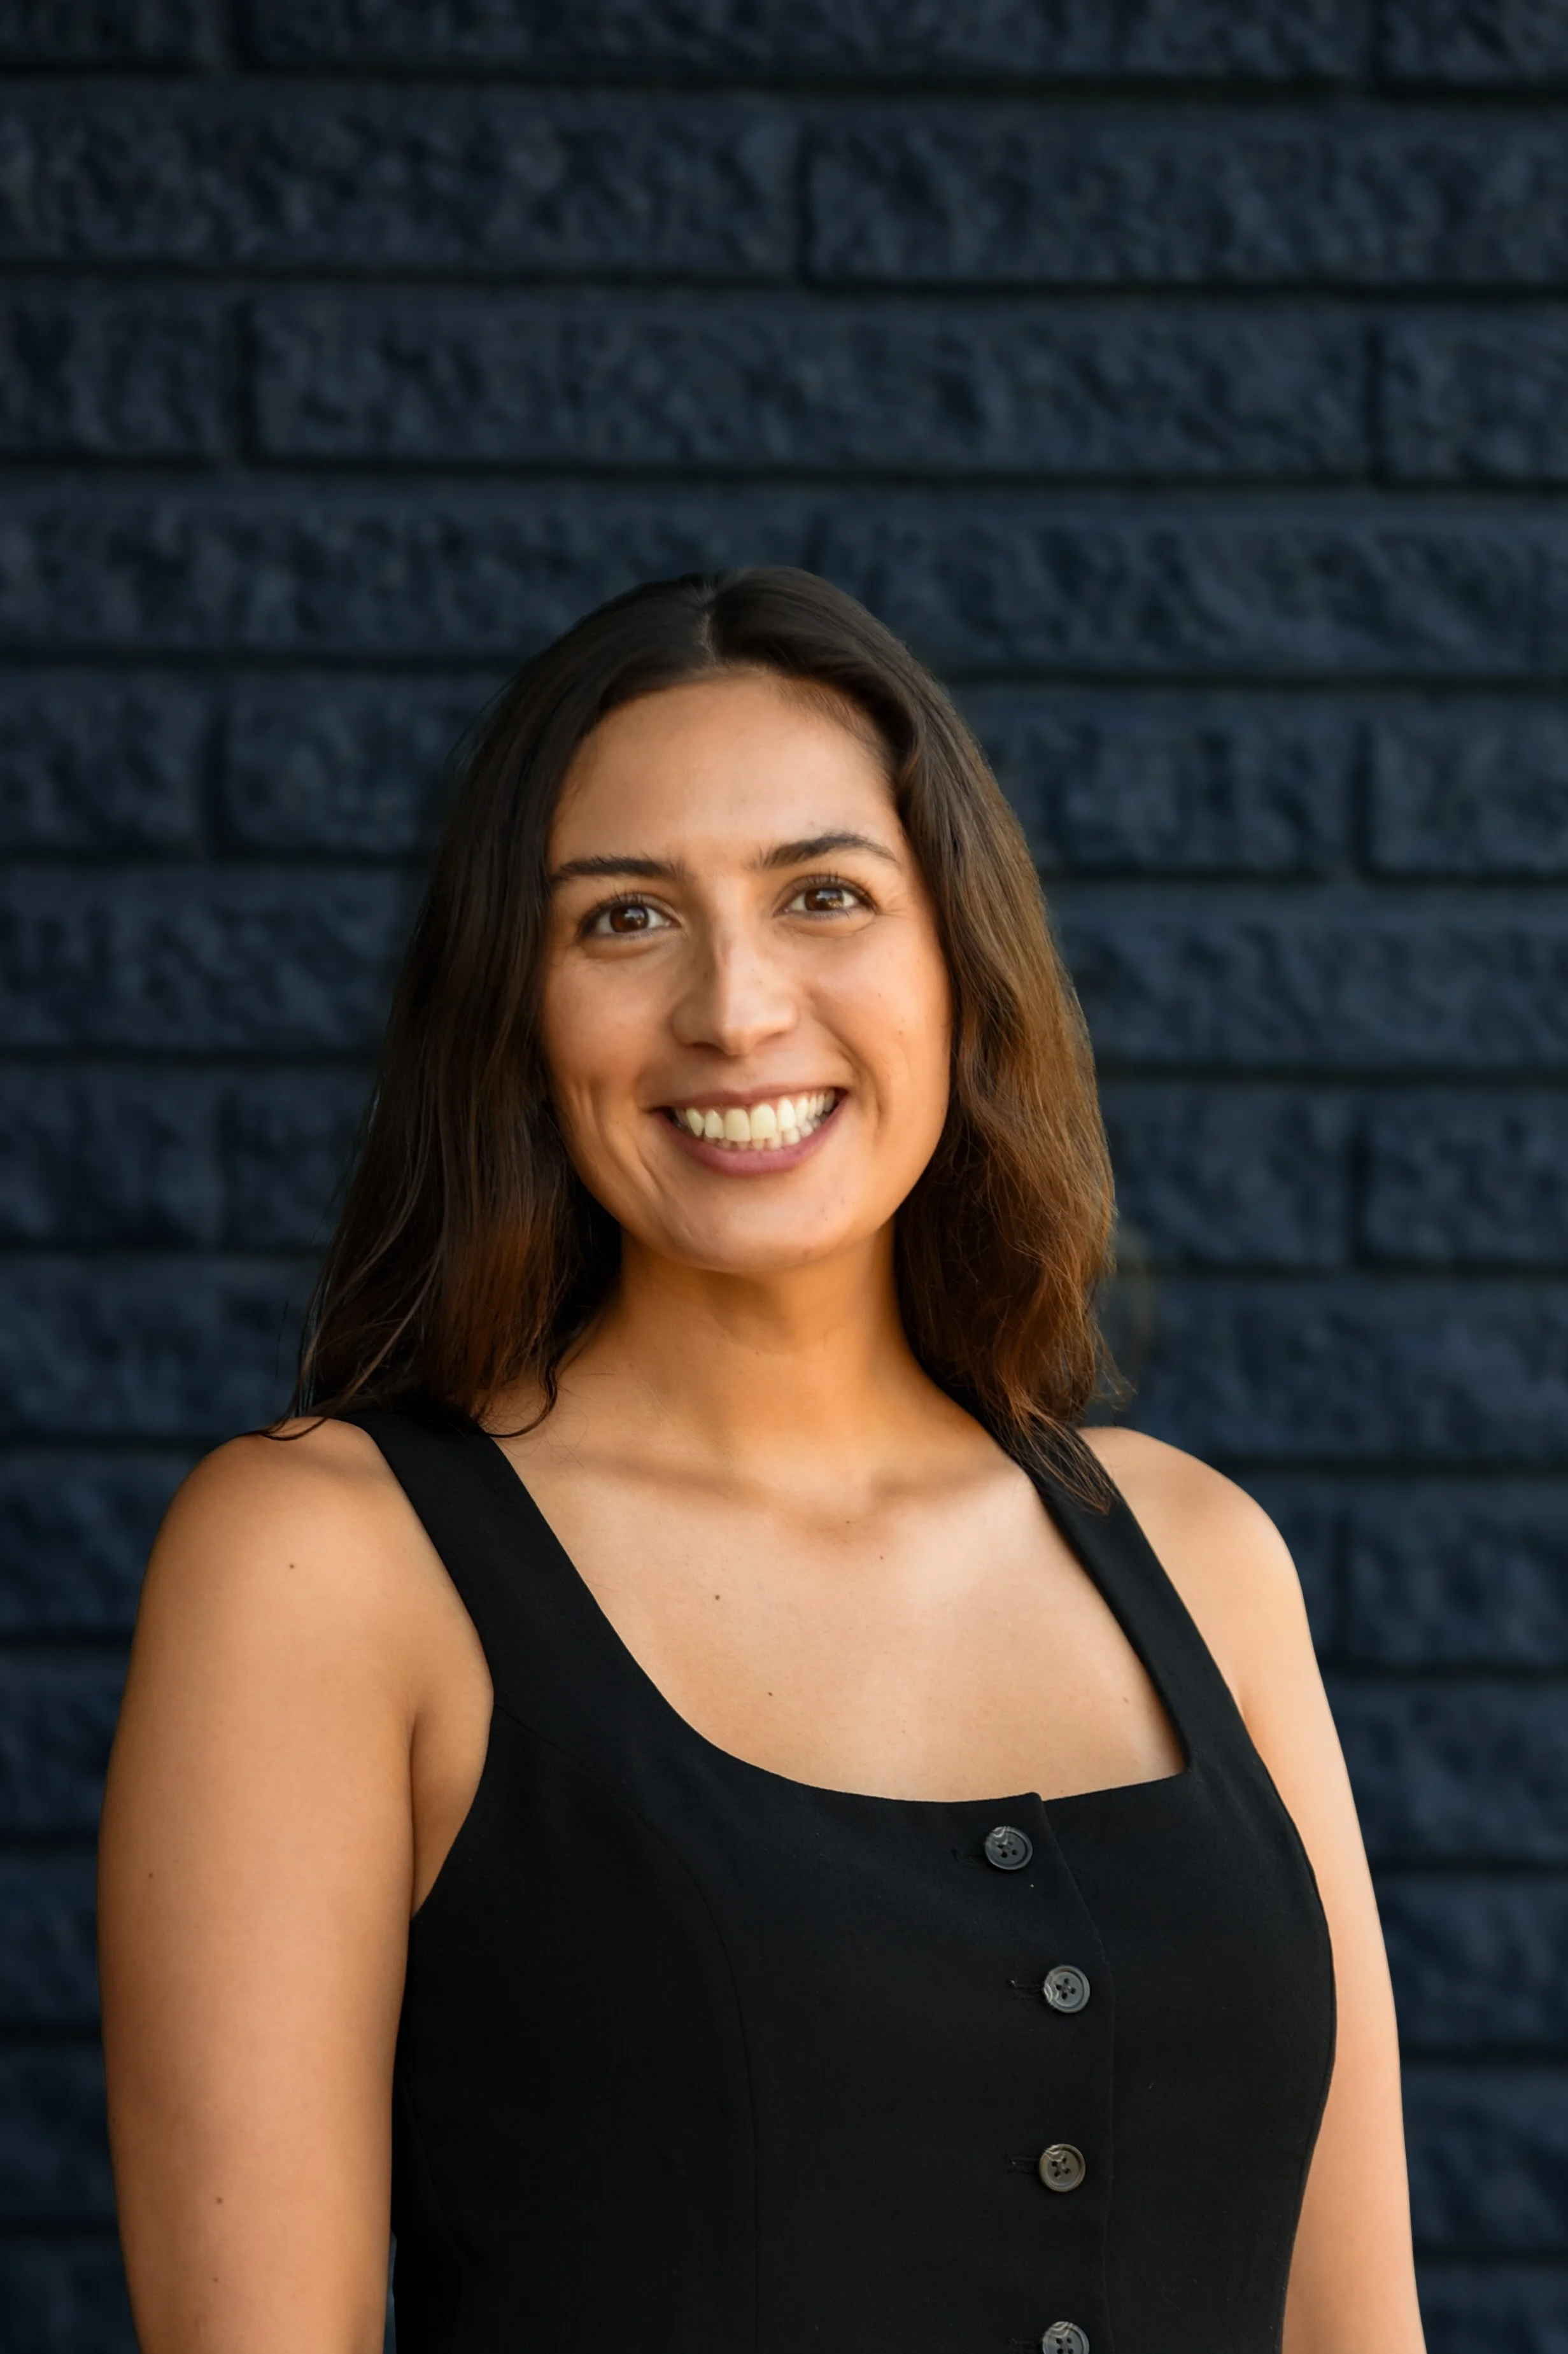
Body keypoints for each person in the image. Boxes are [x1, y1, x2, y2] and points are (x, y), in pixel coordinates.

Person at [99, 568, 1425, 2354]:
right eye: (624, 919)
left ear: (957, 961)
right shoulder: (328, 1560)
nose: (734, 1010)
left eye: (823, 897)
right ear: (515, 1008)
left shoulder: (1197, 1552)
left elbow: (1356, 2330)